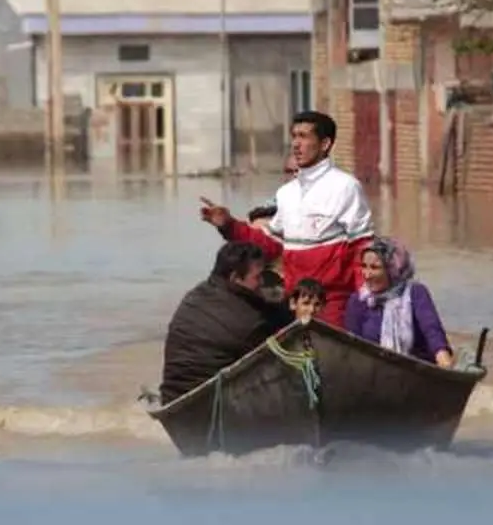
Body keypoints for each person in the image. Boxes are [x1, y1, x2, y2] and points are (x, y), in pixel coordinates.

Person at [199, 110, 374, 328]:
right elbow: (270, 247)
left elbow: (363, 249)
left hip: (331, 302)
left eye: (304, 136)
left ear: (325, 144)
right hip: (294, 301)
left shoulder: (345, 187)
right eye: (294, 136)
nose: (296, 144)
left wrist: (368, 301)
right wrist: (229, 225)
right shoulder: (286, 193)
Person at [158, 241, 290, 405]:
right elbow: (275, 355)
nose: (262, 282)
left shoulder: (197, 294)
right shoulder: (249, 322)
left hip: (172, 395)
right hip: (212, 403)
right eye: (258, 277)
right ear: (235, 278)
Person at [344, 237, 456, 368]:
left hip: (415, 370)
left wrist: (444, 361)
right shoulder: (359, 300)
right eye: (364, 266)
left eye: (375, 268)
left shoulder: (415, 293)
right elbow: (353, 345)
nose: (367, 275)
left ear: (392, 269)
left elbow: (432, 331)